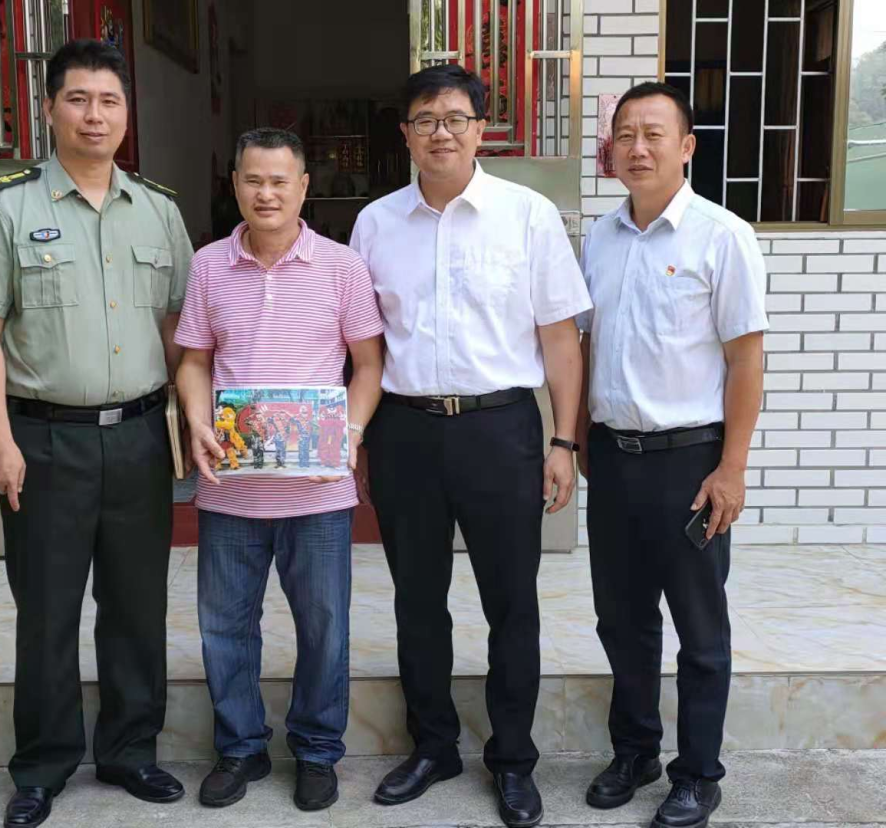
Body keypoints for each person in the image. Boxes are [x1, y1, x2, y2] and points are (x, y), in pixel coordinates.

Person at [0, 40, 192, 828]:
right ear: (49, 108)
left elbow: (181, 329)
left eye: (109, 101)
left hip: (140, 437)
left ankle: (129, 751)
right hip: (44, 440)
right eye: (78, 99)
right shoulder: (6, 207)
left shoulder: (159, 210)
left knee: (136, 605)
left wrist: (191, 419)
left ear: (126, 114)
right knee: (47, 611)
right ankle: (43, 766)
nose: (94, 115)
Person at [350, 65, 592, 828]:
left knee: (511, 603)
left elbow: (561, 339)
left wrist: (564, 440)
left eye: (456, 118)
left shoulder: (527, 215)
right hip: (405, 431)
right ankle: (434, 746)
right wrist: (359, 437)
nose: (442, 132)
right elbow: (361, 346)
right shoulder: (375, 224)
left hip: (501, 430)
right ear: (405, 133)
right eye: (425, 119)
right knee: (417, 600)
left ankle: (513, 759)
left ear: (481, 129)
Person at [574, 82, 767, 828]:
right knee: (621, 621)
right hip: (614, 459)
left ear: (686, 147)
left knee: (699, 628)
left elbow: (746, 361)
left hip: (691, 461)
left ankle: (697, 774)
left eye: (654, 134)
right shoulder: (599, 237)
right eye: (625, 134)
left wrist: (732, 467)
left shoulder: (722, 235)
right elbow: (586, 344)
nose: (638, 147)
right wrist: (581, 438)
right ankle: (635, 752)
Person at [174, 128, 384, 812]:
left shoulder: (342, 267)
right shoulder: (209, 265)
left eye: (279, 181)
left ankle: (317, 751)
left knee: (324, 629)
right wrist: (197, 420)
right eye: (253, 180)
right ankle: (240, 748)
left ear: (303, 188)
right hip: (230, 489)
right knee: (225, 628)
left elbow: (369, 364)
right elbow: (195, 360)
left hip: (318, 491)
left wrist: (351, 433)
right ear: (235, 184)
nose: (266, 193)